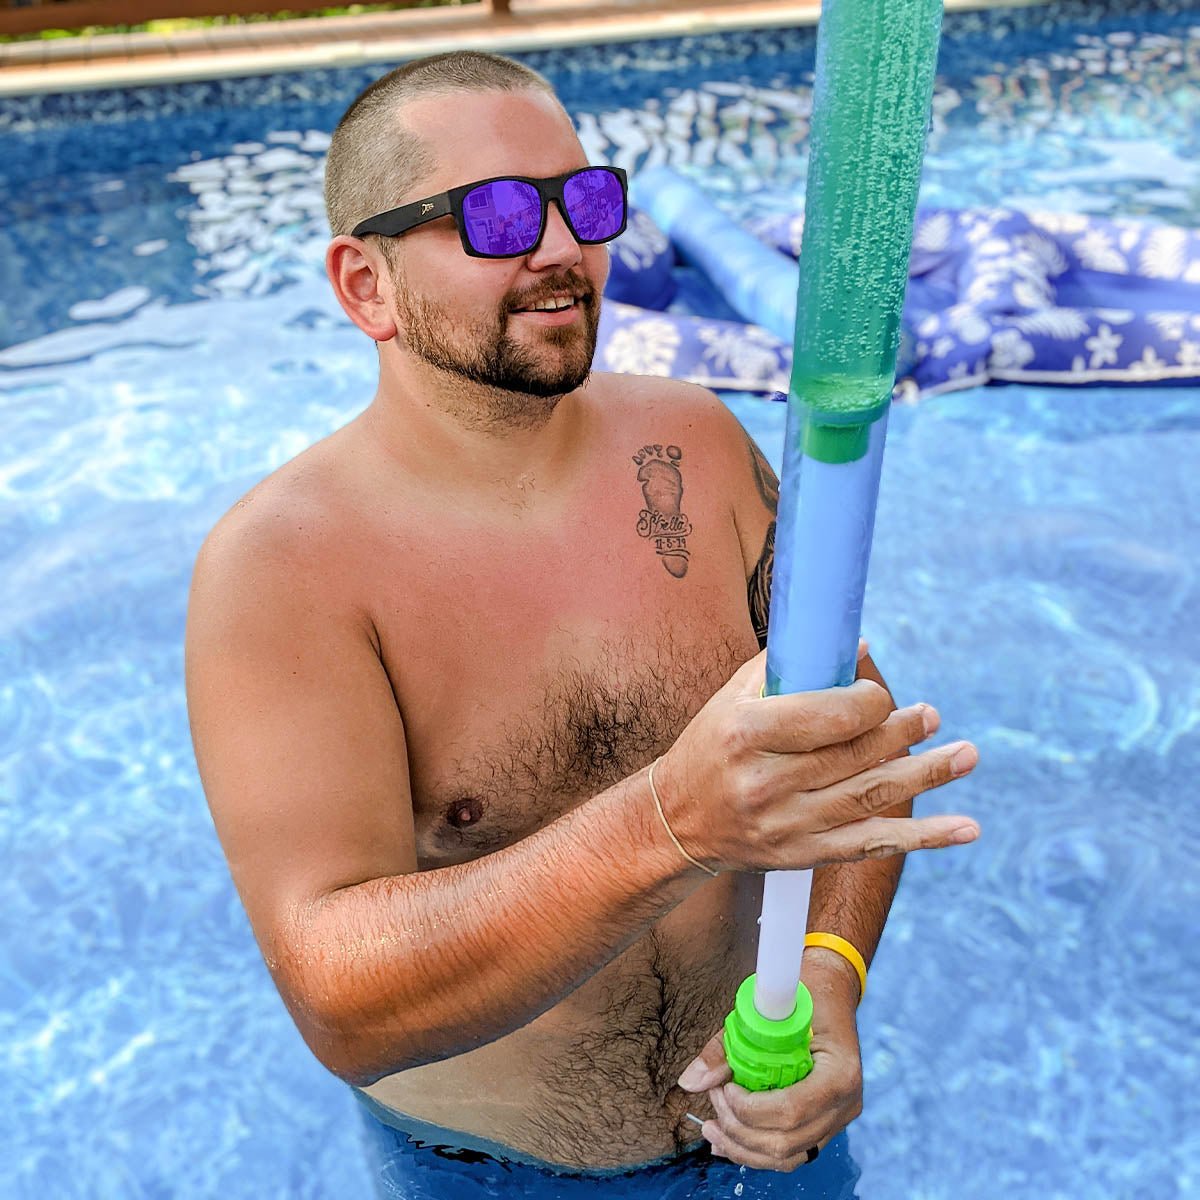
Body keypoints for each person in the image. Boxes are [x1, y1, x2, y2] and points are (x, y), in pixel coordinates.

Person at [185, 50, 980, 1198]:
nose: (560, 247)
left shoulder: (697, 447)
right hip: (497, 1177)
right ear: (365, 286)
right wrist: (672, 822)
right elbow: (338, 1000)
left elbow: (847, 748)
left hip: (777, 1137)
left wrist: (828, 976)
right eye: (498, 214)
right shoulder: (285, 572)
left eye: (585, 199)